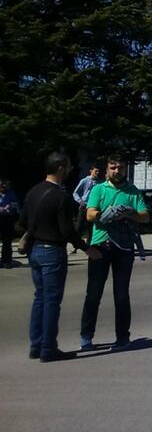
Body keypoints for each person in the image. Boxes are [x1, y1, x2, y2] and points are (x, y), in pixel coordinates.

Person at [20, 152, 92, 362]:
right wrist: (85, 247)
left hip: (34, 250)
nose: (70, 170)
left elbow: (22, 221)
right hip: (52, 250)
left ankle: (36, 345)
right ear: (60, 168)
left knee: (40, 298)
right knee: (52, 301)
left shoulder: (33, 191)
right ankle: (48, 348)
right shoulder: (60, 196)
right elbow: (67, 230)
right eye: (68, 167)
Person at [81, 155, 150, 350]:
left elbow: (145, 216)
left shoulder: (132, 191)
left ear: (125, 169)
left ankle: (122, 336)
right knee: (93, 293)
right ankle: (86, 336)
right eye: (113, 167)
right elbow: (90, 213)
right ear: (107, 170)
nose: (117, 171)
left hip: (124, 246)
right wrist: (106, 213)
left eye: (120, 167)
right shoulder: (98, 189)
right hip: (100, 245)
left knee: (121, 295)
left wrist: (129, 213)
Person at [72, 165, 101, 246]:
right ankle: (76, 243)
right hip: (84, 205)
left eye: (98, 171)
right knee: (79, 226)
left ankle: (89, 244)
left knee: (91, 227)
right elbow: (75, 192)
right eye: (96, 171)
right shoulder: (84, 181)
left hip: (93, 206)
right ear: (91, 171)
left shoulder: (99, 183)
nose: (97, 173)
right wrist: (80, 201)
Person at [0, 179, 20, 268]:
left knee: (7, 241)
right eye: (1, 185)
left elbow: (16, 205)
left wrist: (10, 206)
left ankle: (6, 261)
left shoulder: (10, 193)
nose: (2, 186)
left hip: (8, 219)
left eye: (3, 184)